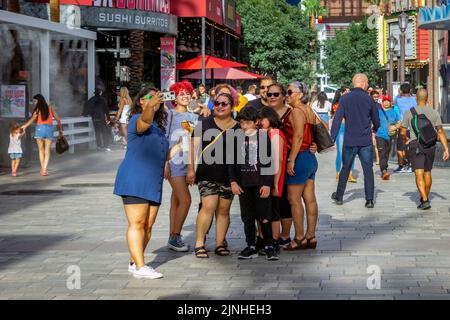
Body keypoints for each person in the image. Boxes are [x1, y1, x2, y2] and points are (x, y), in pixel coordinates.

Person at [113, 87, 167, 279]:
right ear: (141, 102)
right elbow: (145, 121)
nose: (154, 99)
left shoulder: (159, 128)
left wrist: (184, 141)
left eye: (157, 97)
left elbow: (165, 154)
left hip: (153, 181)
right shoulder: (138, 119)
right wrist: (151, 107)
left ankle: (134, 261)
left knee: (148, 225)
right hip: (135, 177)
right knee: (137, 223)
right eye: (149, 97)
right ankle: (141, 267)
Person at [188, 92, 240, 258]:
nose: (220, 106)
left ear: (231, 106)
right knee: (208, 206)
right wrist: (190, 169)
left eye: (224, 104)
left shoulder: (238, 127)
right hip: (206, 173)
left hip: (229, 175)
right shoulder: (204, 123)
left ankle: (219, 243)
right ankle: (199, 243)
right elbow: (193, 148)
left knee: (224, 210)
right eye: (217, 103)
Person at [229, 106, 277, 260]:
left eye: (247, 123)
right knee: (247, 216)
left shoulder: (263, 138)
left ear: (256, 122)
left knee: (264, 215)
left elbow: (269, 163)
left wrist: (267, 184)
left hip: (260, 183)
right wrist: (233, 182)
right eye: (241, 123)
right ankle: (251, 244)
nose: (244, 127)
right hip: (244, 185)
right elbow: (231, 163)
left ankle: (269, 245)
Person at [330, 73, 380, 208]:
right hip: (365, 141)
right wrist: (375, 127)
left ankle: (339, 196)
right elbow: (376, 119)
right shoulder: (369, 99)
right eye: (367, 83)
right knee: (368, 170)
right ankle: (369, 200)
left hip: (350, 140)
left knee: (345, 168)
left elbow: (337, 119)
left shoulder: (345, 99)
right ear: (363, 83)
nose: (368, 85)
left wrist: (332, 138)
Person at [284, 82, 319, 250]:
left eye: (289, 92)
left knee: (294, 199)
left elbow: (298, 136)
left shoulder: (297, 111)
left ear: (299, 94)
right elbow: (323, 127)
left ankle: (299, 237)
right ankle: (311, 236)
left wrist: (291, 160)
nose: (287, 95)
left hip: (299, 157)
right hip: (310, 159)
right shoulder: (309, 110)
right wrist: (314, 143)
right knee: (310, 199)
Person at [401, 88, 449, 210]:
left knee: (418, 173)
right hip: (430, 145)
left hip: (415, 145)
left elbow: (402, 131)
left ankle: (425, 199)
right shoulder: (434, 113)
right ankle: (424, 198)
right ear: (427, 98)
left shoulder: (409, 112)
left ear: (416, 98)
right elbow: (441, 132)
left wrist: (405, 139)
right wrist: (446, 149)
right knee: (427, 172)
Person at [165, 81, 199, 252]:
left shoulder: (194, 117)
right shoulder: (169, 115)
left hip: (187, 162)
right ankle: (175, 236)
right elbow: (163, 141)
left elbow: (192, 143)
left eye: (187, 93)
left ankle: (172, 235)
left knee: (176, 201)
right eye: (181, 94)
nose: (185, 96)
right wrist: (164, 163)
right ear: (175, 98)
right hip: (173, 162)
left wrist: (192, 167)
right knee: (186, 200)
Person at [258, 106, 287, 256]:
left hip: (275, 177)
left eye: (262, 119)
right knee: (267, 211)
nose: (259, 122)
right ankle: (265, 240)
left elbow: (278, 160)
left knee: (274, 212)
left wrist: (274, 183)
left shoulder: (275, 133)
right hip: (270, 177)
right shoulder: (267, 133)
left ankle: (274, 241)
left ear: (269, 119)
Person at [21, 94, 63, 176]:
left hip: (40, 129)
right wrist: (60, 130)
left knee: (41, 150)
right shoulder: (50, 108)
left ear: (39, 100)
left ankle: (42, 169)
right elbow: (58, 119)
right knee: (47, 150)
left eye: (35, 101)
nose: (34, 103)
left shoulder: (37, 109)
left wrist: (24, 126)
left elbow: (32, 119)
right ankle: (44, 169)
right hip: (49, 129)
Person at [331, 89, 357, 183]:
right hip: (341, 128)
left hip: (352, 128)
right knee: (340, 151)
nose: (348, 93)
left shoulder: (353, 103)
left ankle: (350, 173)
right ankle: (338, 172)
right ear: (341, 93)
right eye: (345, 91)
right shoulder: (337, 104)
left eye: (349, 91)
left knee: (352, 151)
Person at [376, 95, 401, 180]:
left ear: (390, 102)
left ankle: (385, 167)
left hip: (390, 136)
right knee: (382, 152)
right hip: (380, 135)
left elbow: (399, 122)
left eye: (388, 101)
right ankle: (383, 171)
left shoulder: (394, 112)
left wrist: (395, 127)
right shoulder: (378, 111)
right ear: (382, 102)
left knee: (386, 153)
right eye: (384, 101)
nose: (386, 102)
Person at [395, 83, 416, 173]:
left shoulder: (398, 100)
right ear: (410, 90)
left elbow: (395, 101)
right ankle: (411, 166)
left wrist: (399, 93)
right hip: (413, 127)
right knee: (412, 147)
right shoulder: (415, 99)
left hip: (403, 127)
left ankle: (401, 166)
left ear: (401, 91)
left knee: (400, 148)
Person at [370, 90, 381, 165]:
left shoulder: (379, 105)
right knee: (371, 143)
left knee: (375, 143)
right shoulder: (368, 104)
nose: (376, 98)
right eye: (374, 97)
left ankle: (378, 159)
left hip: (376, 126)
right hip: (370, 126)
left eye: (377, 97)